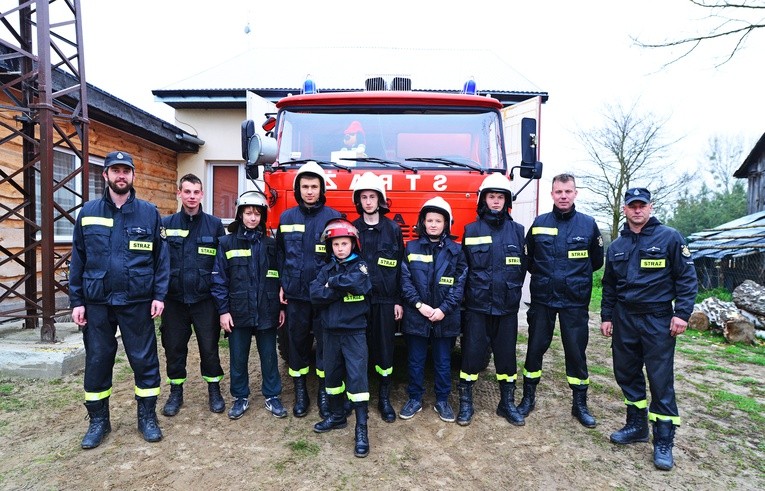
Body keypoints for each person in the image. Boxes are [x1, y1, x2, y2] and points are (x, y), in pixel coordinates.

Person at [70, 150, 169, 448]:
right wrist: (77, 301)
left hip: (137, 301)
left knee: (144, 360)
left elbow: (161, 260)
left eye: (126, 170)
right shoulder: (87, 213)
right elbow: (78, 260)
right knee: (98, 361)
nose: (121, 175)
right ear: (106, 175)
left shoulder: (149, 213)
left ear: (133, 176)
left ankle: (147, 418)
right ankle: (99, 421)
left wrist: (159, 295)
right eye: (115, 170)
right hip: (97, 301)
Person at [600, 187, 697, 471]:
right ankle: (636, 426)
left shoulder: (670, 237)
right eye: (632, 206)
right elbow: (609, 285)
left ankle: (663, 441)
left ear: (650, 207)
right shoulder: (617, 246)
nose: (637, 210)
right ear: (625, 209)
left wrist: (682, 314)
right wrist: (607, 316)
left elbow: (687, 279)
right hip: (625, 319)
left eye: (642, 205)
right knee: (626, 373)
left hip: (657, 319)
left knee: (660, 379)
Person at [519, 173, 603, 428]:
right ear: (552, 194)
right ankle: (528, 398)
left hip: (574, 302)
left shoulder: (588, 225)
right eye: (558, 192)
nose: (563, 196)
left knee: (576, 353)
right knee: (534, 349)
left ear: (575, 193)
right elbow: (529, 257)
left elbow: (596, 261)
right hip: (543, 299)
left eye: (568, 191)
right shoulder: (540, 222)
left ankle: (579, 405)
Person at [211, 191, 287, 420]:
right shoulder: (226, 243)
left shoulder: (271, 244)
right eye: (248, 213)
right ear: (240, 214)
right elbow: (218, 279)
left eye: (257, 213)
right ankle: (240, 397)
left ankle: (272, 396)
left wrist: (281, 307)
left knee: (269, 356)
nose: (253, 218)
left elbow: (280, 277)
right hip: (238, 310)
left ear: (262, 216)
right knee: (238, 356)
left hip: (267, 309)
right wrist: (223, 311)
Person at [459, 173, 527, 426]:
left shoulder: (519, 231)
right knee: (471, 355)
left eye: (500, 197)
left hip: (507, 307)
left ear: (506, 200)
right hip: (478, 306)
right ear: (483, 200)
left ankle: (506, 403)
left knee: (507, 357)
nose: (496, 201)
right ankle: (466, 403)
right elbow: (464, 269)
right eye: (492, 196)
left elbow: (523, 266)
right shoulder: (471, 230)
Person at [277, 161, 342, 418]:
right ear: (298, 189)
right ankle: (301, 391)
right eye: (305, 186)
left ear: (322, 188)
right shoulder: (286, 217)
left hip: (324, 296)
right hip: (295, 294)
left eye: (314, 186)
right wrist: (282, 283)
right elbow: (280, 254)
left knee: (326, 345)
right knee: (297, 344)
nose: (310, 191)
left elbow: (341, 256)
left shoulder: (333, 218)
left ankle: (324, 392)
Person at [159, 174, 227, 417]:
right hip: (174, 301)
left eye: (195, 192)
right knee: (174, 348)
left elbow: (221, 264)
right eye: (186, 191)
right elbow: (158, 262)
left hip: (204, 301)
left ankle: (214, 389)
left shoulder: (214, 225)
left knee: (209, 348)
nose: (191, 196)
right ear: (179, 193)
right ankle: (176, 392)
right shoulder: (165, 225)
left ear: (202, 194)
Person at [399, 197, 467, 423]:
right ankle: (415, 399)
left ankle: (442, 401)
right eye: (430, 220)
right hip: (417, 315)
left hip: (444, 317)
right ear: (423, 222)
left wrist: (444, 310)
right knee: (415, 361)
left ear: (447, 223)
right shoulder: (411, 247)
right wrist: (419, 305)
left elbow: (460, 283)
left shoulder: (456, 251)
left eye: (439, 220)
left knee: (443, 361)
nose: (434, 224)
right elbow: (405, 280)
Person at [309, 218, 373, 457]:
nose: (340, 248)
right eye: (335, 244)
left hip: (354, 332)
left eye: (344, 243)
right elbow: (315, 294)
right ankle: (337, 417)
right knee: (332, 378)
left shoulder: (361, 267)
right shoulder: (326, 268)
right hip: (329, 333)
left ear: (353, 244)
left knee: (357, 382)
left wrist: (332, 285)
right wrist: (337, 289)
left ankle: (362, 429)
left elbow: (358, 284)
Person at [350, 172, 404, 423]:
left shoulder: (392, 229)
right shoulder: (352, 229)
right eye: (364, 197)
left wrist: (398, 301)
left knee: (385, 351)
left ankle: (384, 398)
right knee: (358, 351)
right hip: (358, 301)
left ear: (380, 199)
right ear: (358, 200)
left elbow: (400, 266)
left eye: (372, 196)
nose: (368, 201)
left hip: (384, 301)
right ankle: (359, 397)